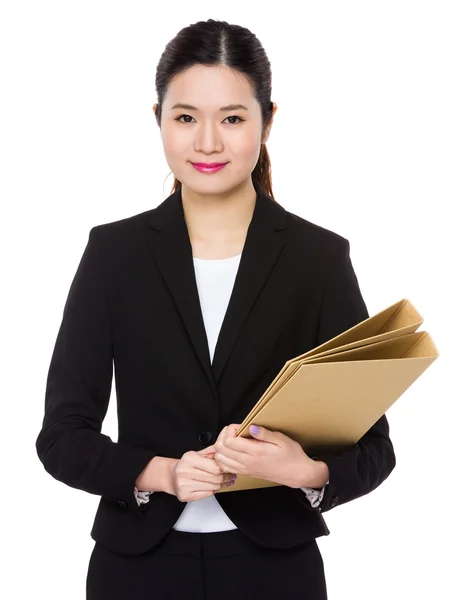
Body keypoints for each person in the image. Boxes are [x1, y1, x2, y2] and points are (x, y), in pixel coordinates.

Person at [35, 18, 396, 600]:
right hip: (137, 567)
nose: (207, 143)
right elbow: (62, 437)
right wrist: (163, 474)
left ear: (268, 120)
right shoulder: (113, 254)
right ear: (157, 120)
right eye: (185, 118)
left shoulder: (318, 258)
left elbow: (375, 447)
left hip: (276, 568)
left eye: (232, 118)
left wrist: (306, 473)